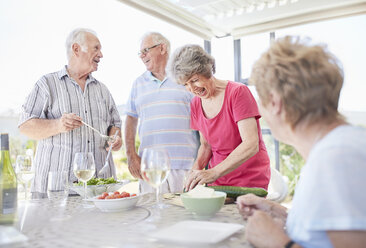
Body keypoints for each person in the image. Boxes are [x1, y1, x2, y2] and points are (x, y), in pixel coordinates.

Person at [237, 36, 366, 248]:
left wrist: (277, 242)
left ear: (275, 102)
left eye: (261, 99)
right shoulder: (338, 148)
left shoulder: (337, 158)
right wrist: (283, 214)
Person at [18, 28, 122, 197]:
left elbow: (115, 125)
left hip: (100, 193)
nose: (101, 54)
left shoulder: (103, 90)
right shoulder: (47, 84)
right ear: (76, 49)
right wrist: (58, 125)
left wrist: (115, 138)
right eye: (96, 48)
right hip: (56, 192)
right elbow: (25, 126)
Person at [168, 44, 271, 191]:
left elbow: (251, 144)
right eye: (186, 84)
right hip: (218, 182)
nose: (192, 89)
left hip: (249, 181)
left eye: (195, 80)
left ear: (207, 70)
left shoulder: (238, 93)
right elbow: (206, 145)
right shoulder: (196, 103)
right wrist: (195, 172)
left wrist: (213, 172)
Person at [124, 32, 199, 194]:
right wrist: (131, 155)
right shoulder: (138, 83)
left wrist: (202, 163)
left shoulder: (185, 78)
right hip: (150, 169)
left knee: (185, 216)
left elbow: (203, 119)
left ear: (162, 48)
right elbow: (130, 119)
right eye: (140, 53)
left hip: (186, 167)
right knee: (152, 216)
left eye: (146, 50)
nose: (142, 56)